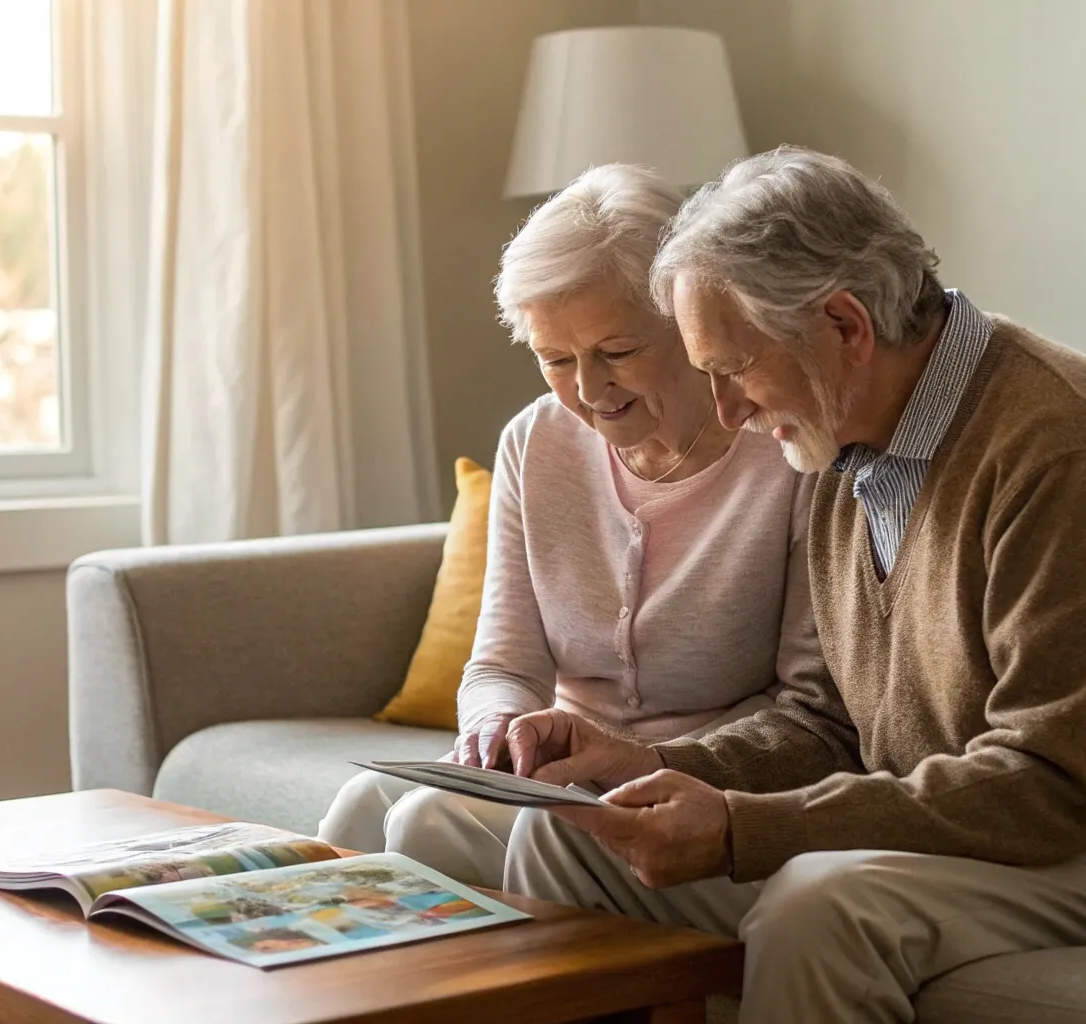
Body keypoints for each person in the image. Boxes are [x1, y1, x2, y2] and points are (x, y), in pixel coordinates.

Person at [496, 147, 1086, 1023]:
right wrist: (653, 769)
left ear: (843, 325)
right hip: (973, 824)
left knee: (826, 907)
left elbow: (1050, 788)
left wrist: (740, 827)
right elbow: (832, 720)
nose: (728, 414)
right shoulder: (842, 440)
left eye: (734, 370)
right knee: (569, 836)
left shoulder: (1060, 447)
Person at [316, 164, 821, 888]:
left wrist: (639, 759)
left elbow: (812, 702)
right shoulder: (536, 441)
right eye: (556, 359)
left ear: (687, 320)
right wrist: (494, 724)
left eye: (617, 352)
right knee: (365, 804)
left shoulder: (783, 450)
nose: (588, 390)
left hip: (700, 789)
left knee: (429, 822)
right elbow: (503, 665)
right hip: (555, 773)